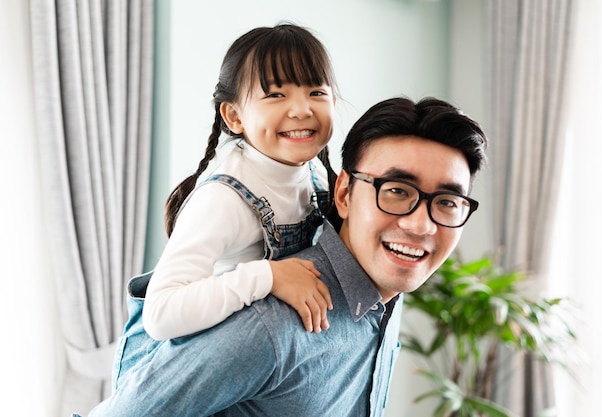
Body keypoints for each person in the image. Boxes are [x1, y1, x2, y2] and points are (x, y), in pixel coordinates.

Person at [82, 96, 488, 417]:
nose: (421, 226)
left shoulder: (385, 294)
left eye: (448, 202)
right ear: (344, 193)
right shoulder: (269, 327)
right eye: (397, 191)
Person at [143, 22, 340, 350]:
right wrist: (269, 277)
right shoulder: (224, 199)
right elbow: (160, 314)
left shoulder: (316, 175)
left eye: (316, 92)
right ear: (234, 117)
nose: (302, 109)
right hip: (211, 368)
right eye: (276, 94)